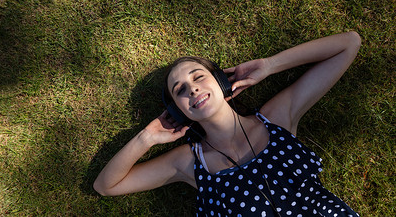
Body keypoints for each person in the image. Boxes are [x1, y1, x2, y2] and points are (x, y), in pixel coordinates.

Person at [94, 31, 362, 216]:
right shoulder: (189, 162)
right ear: (178, 111)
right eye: (180, 91)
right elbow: (107, 186)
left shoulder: (276, 119)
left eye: (198, 77)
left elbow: (349, 43)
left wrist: (269, 66)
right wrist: (147, 138)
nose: (192, 90)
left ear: (221, 82)